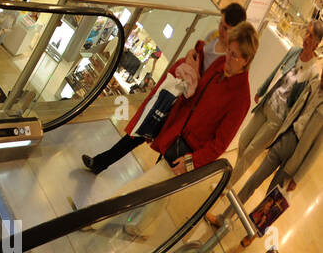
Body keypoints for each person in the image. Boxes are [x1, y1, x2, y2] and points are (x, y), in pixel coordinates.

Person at [82, 21, 258, 177]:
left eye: (227, 28)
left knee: (162, 168)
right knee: (136, 136)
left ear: (246, 59)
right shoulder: (218, 55)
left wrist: (192, 161)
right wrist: (192, 59)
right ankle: (100, 162)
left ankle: (105, 166)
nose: (222, 30)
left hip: (182, 123)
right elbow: (196, 57)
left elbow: (219, 142)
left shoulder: (239, 95)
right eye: (222, 24)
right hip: (173, 104)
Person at [208, 19, 323, 229]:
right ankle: (230, 184)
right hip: (269, 107)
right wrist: (262, 89)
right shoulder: (295, 52)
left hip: (280, 123)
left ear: (317, 43)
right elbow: (277, 73)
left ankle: (228, 189)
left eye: (311, 36)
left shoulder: (313, 74)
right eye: (306, 33)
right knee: (243, 141)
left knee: (253, 156)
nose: (306, 38)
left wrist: (298, 171)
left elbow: (303, 114)